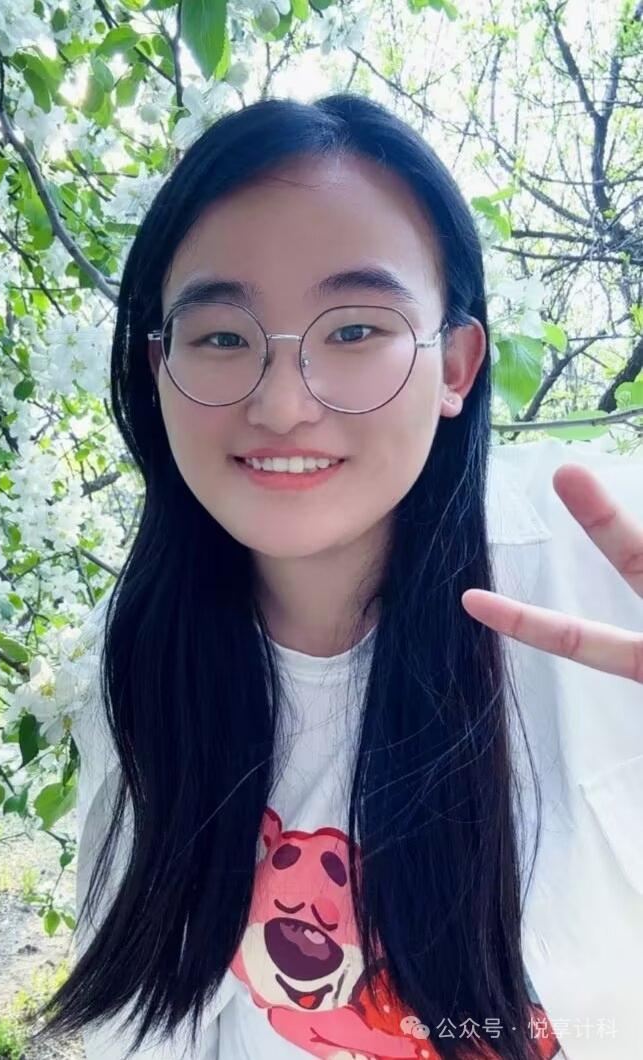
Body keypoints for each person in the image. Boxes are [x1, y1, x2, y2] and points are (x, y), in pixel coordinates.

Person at [35, 94, 643, 1060]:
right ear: (158, 367)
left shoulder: (600, 561)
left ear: (455, 366)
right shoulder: (148, 645)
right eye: (221, 336)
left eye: (355, 331)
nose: (282, 403)